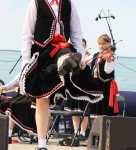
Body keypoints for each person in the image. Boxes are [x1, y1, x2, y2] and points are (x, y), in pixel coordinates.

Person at [19, 1, 103, 150]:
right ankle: (42, 145)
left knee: (64, 55)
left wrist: (81, 57)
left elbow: (77, 33)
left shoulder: (69, 4)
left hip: (62, 49)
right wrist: (26, 61)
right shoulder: (35, 3)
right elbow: (26, 34)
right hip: (41, 54)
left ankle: (68, 64)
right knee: (42, 100)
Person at [89, 34, 119, 116]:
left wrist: (108, 60)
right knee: (93, 111)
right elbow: (86, 62)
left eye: (104, 43)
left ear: (109, 43)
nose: (101, 46)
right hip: (95, 84)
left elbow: (108, 71)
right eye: (99, 44)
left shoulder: (113, 56)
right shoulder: (95, 55)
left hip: (105, 86)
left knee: (104, 111)